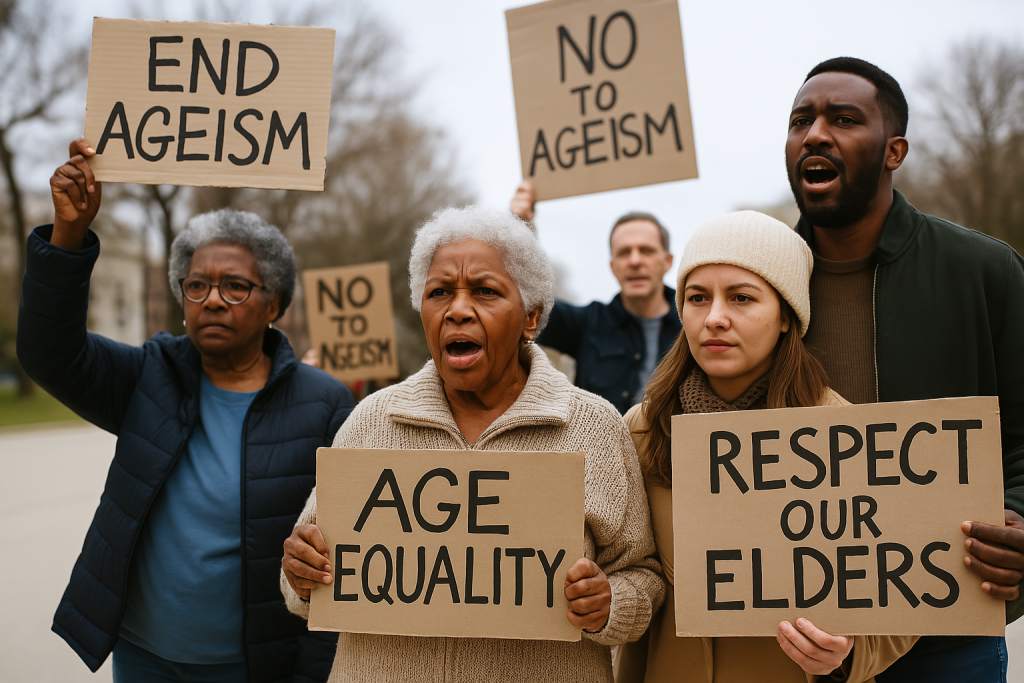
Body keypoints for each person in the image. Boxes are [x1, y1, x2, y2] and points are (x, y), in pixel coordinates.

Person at [17, 139, 354, 682]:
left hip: (253, 667)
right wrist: (69, 235)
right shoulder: (147, 377)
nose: (212, 299)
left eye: (235, 286)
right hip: (143, 656)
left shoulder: (326, 404)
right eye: (196, 285)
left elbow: (341, 562)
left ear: (275, 304)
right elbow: (48, 353)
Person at [280, 205, 665, 682]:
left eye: (484, 291)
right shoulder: (371, 422)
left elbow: (644, 575)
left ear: (531, 317)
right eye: (439, 292)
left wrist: (609, 603)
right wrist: (300, 571)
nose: (457, 309)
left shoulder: (593, 426)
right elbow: (302, 583)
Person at [786, 57, 1024, 681]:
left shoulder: (985, 272)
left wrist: (1019, 519)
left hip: (946, 643)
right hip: (788, 641)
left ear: (894, 151)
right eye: (801, 120)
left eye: (843, 119)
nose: (815, 135)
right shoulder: (755, 288)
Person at [618, 211, 916, 682]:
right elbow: (625, 572)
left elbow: (902, 594)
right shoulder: (640, 431)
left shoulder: (845, 434)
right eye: (697, 298)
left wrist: (850, 652)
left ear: (785, 317)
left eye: (741, 297)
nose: (714, 317)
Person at [510, 181, 680, 414]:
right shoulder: (588, 323)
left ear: (667, 261)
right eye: (624, 252)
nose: (635, 261)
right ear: (613, 266)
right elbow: (528, 303)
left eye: (646, 251)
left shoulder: (693, 325)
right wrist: (521, 229)